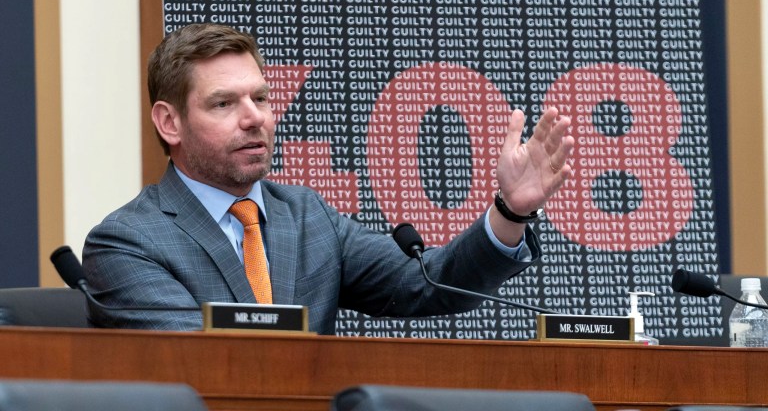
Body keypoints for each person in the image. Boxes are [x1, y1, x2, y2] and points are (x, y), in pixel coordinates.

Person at [82, 23, 574, 334]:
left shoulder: (307, 216)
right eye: (224, 103)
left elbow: (428, 284)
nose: (256, 118)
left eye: (262, 98)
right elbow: (205, 364)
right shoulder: (126, 243)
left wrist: (511, 211)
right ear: (170, 123)